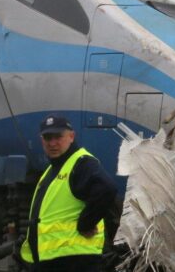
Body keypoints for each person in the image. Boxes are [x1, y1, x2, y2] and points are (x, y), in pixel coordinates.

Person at [20, 114, 117, 272]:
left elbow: (107, 188)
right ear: (41, 139)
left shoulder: (81, 163)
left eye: (58, 136)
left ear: (71, 136)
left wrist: (86, 222)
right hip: (55, 260)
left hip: (74, 260)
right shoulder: (53, 169)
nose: (52, 143)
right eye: (47, 137)